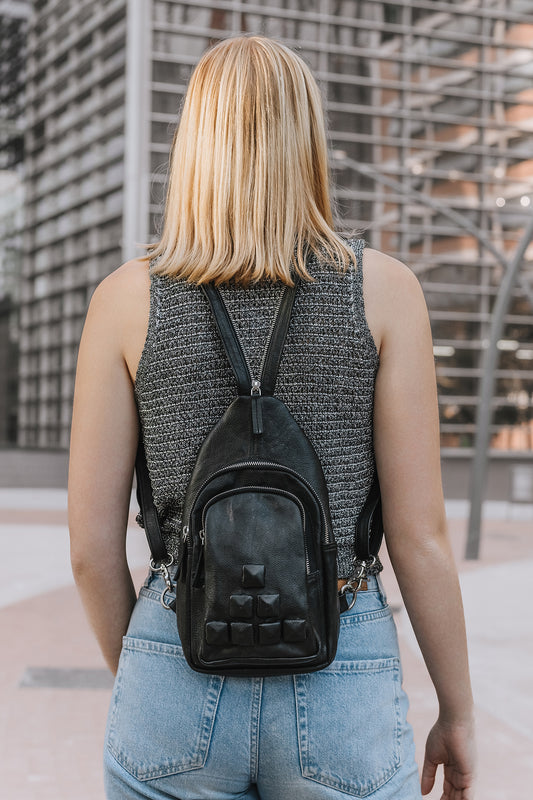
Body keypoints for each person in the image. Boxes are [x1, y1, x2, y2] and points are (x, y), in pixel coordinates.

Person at [68, 34, 476, 800]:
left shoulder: (125, 299)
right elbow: (420, 535)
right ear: (308, 139)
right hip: (341, 657)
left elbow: (91, 551)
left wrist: (159, 667)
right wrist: (456, 711)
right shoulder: (384, 292)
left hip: (175, 655)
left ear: (194, 142)